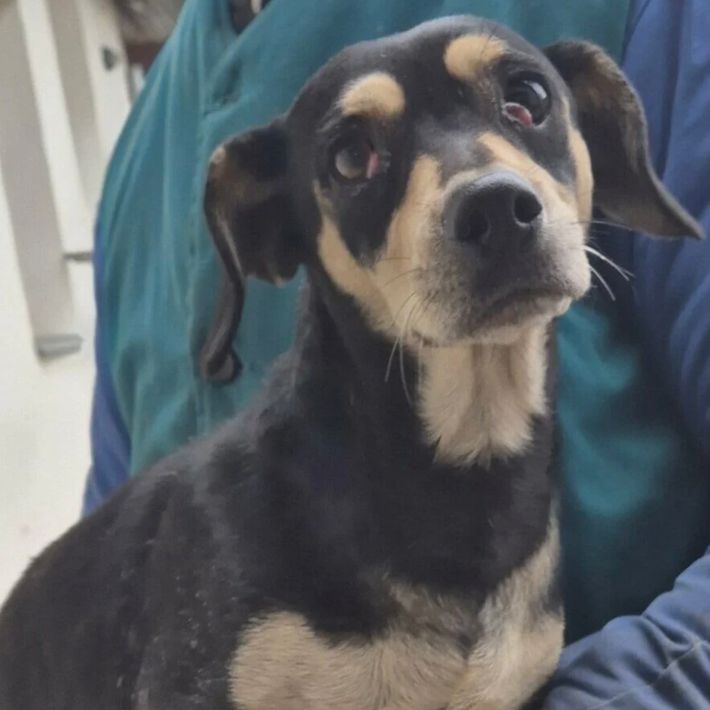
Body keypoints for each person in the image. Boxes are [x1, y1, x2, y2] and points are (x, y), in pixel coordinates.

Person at [86, 0, 710, 705]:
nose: (486, 185)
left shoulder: (650, 15)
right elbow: (104, 562)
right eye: (356, 157)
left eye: (525, 102)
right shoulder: (136, 155)